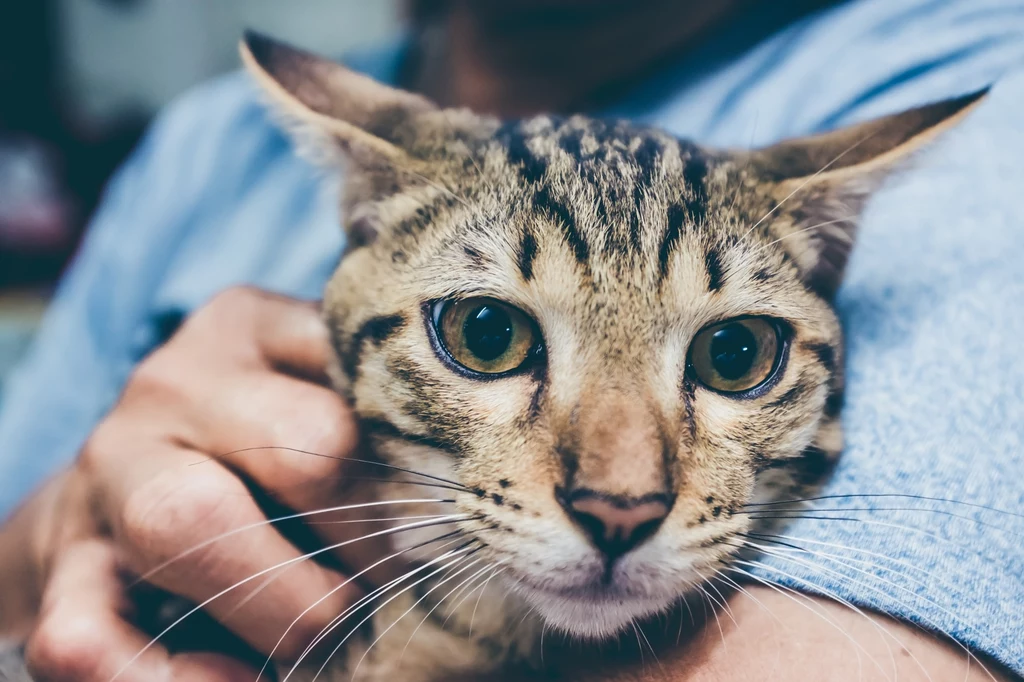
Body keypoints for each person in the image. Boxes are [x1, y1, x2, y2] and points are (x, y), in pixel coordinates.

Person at [1, 0, 1023, 680]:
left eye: (729, 357)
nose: (622, 493)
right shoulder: (203, 144)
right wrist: (71, 518)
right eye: (489, 332)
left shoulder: (980, 81)